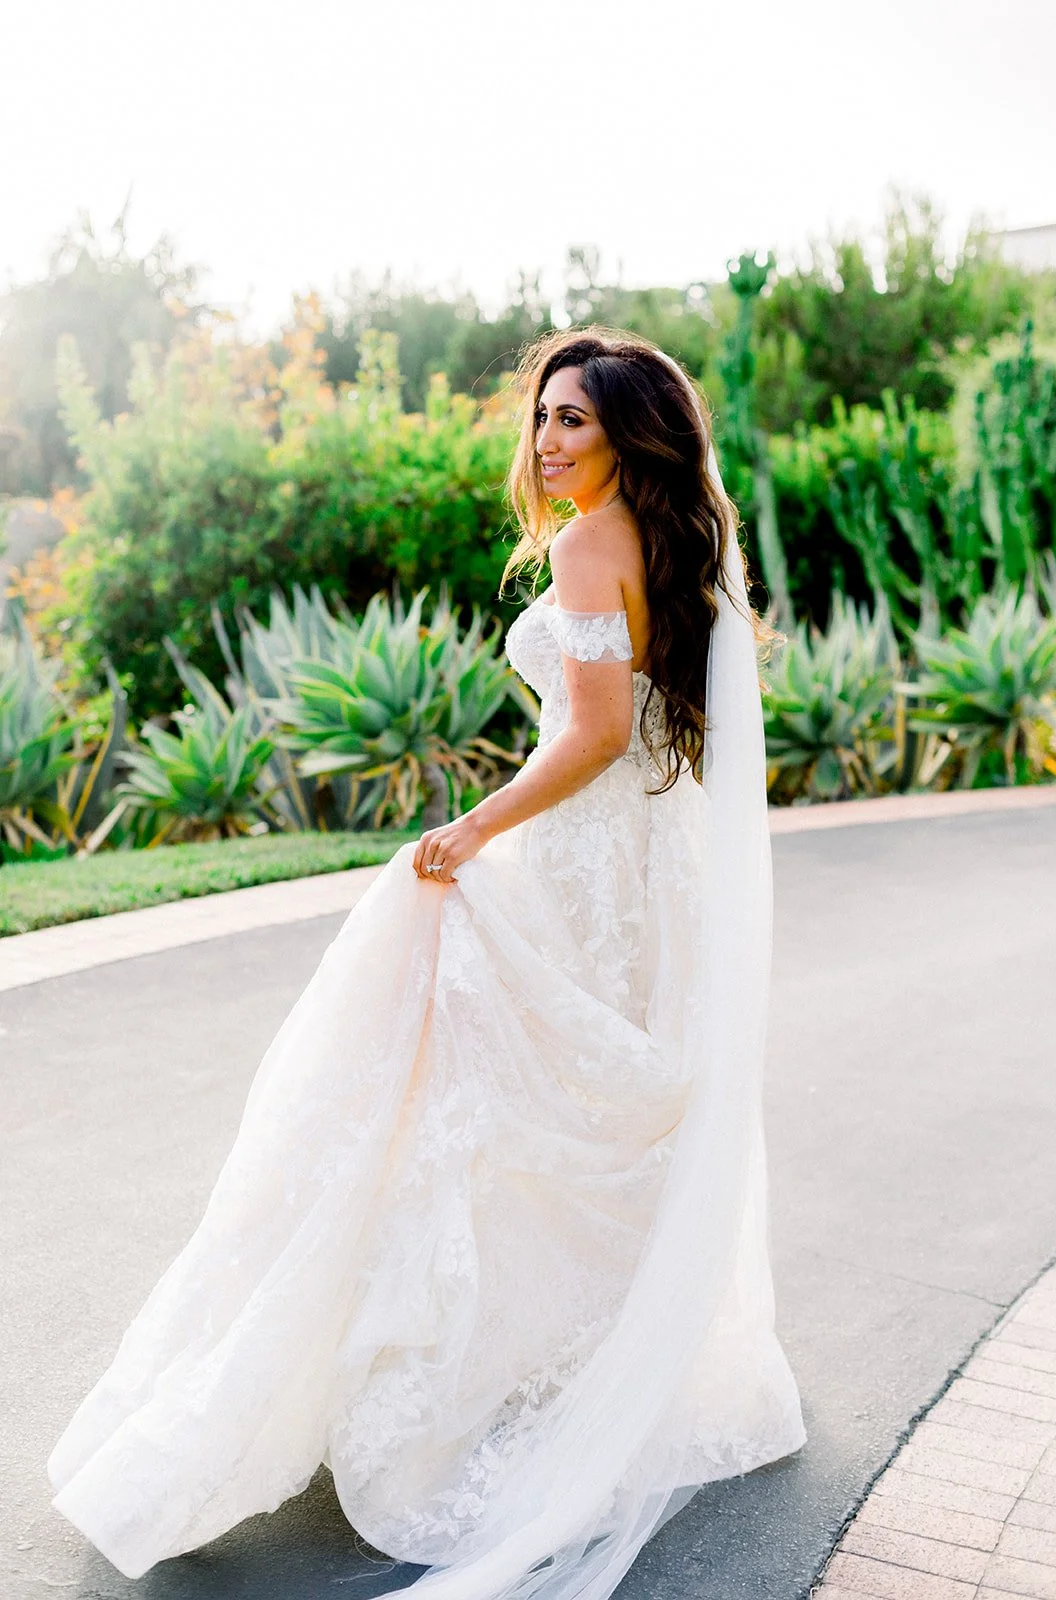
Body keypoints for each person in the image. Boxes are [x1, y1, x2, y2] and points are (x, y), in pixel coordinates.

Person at [47, 327, 805, 1598]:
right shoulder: (676, 541)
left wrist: (468, 829)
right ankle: (599, 1362)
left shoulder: (587, 541)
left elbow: (591, 732)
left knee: (474, 1095)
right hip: (646, 865)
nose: (546, 440)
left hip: (582, 856)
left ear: (629, 433)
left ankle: (446, 1369)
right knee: (586, 1106)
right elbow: (643, 727)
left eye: (573, 418)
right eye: (543, 416)